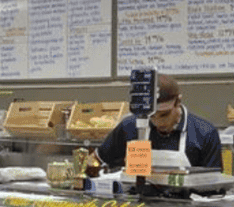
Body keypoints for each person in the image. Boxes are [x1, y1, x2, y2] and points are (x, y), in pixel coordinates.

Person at [87, 73, 223, 172]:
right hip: (137, 205)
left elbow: (214, 184)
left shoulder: (205, 133)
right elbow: (96, 160)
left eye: (164, 114)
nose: (158, 122)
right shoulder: (130, 127)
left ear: (178, 101)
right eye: (151, 116)